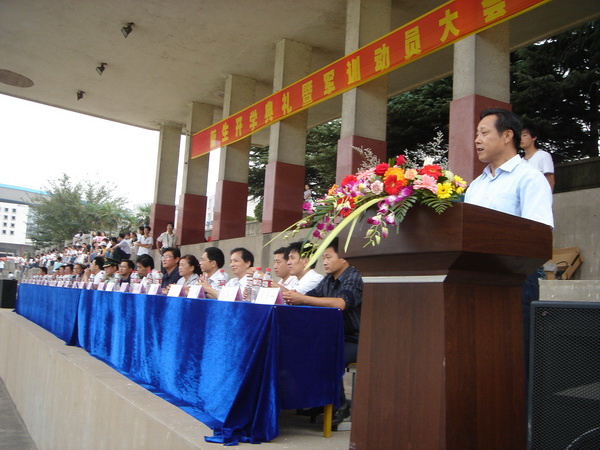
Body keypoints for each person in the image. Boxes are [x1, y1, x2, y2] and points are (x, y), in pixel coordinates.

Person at [464, 107, 554, 377]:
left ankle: (519, 419)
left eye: (483, 133)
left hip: (515, 282)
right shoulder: (476, 184)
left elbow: (539, 236)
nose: (477, 140)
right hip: (474, 281)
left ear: (507, 136)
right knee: (482, 359)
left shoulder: (529, 178)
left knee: (515, 359)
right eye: (476, 134)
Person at [282, 237, 363, 426]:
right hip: (334, 337)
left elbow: (341, 303)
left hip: (357, 339)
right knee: (296, 347)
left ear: (344, 257)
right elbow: (307, 297)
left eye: (328, 257)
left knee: (326, 354)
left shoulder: (354, 277)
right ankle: (321, 398)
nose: (324, 262)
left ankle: (341, 405)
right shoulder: (328, 280)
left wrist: (303, 299)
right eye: (323, 258)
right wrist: (290, 296)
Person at [521, 122, 555, 191]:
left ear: (534, 137)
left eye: (524, 135)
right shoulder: (520, 161)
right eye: (520, 136)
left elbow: (550, 179)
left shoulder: (543, 155)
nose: (521, 139)